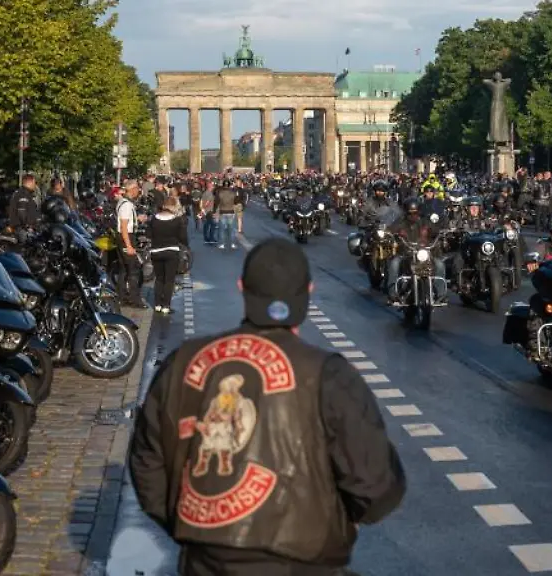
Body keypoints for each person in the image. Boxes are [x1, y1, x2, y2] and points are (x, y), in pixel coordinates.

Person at [129, 238, 406, 576]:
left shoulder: (183, 361)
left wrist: (191, 523)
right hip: (305, 562)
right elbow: (377, 485)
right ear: (309, 291)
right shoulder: (328, 374)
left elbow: (146, 460)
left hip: (205, 562)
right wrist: (339, 517)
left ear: (242, 288)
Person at [149, 195, 189, 314]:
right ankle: (166, 305)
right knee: (169, 280)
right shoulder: (177, 220)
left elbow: (148, 234)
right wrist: (185, 245)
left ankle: (157, 304)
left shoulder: (154, 219)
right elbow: (183, 237)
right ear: (173, 206)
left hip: (156, 251)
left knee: (159, 279)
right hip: (171, 251)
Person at [116, 180, 147, 308]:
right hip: (126, 237)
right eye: (137, 189)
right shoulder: (126, 205)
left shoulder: (124, 203)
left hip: (124, 237)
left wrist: (137, 219)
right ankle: (135, 300)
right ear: (132, 189)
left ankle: (122, 298)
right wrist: (128, 245)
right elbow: (123, 226)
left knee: (124, 269)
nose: (138, 191)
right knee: (134, 269)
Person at [214, 181, 238, 249]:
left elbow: (216, 202)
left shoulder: (220, 193)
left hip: (222, 212)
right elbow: (236, 202)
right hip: (231, 211)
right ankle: (232, 244)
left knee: (221, 229)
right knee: (231, 229)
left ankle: (222, 244)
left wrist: (214, 211)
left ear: (223, 186)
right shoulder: (233, 193)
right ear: (229, 185)